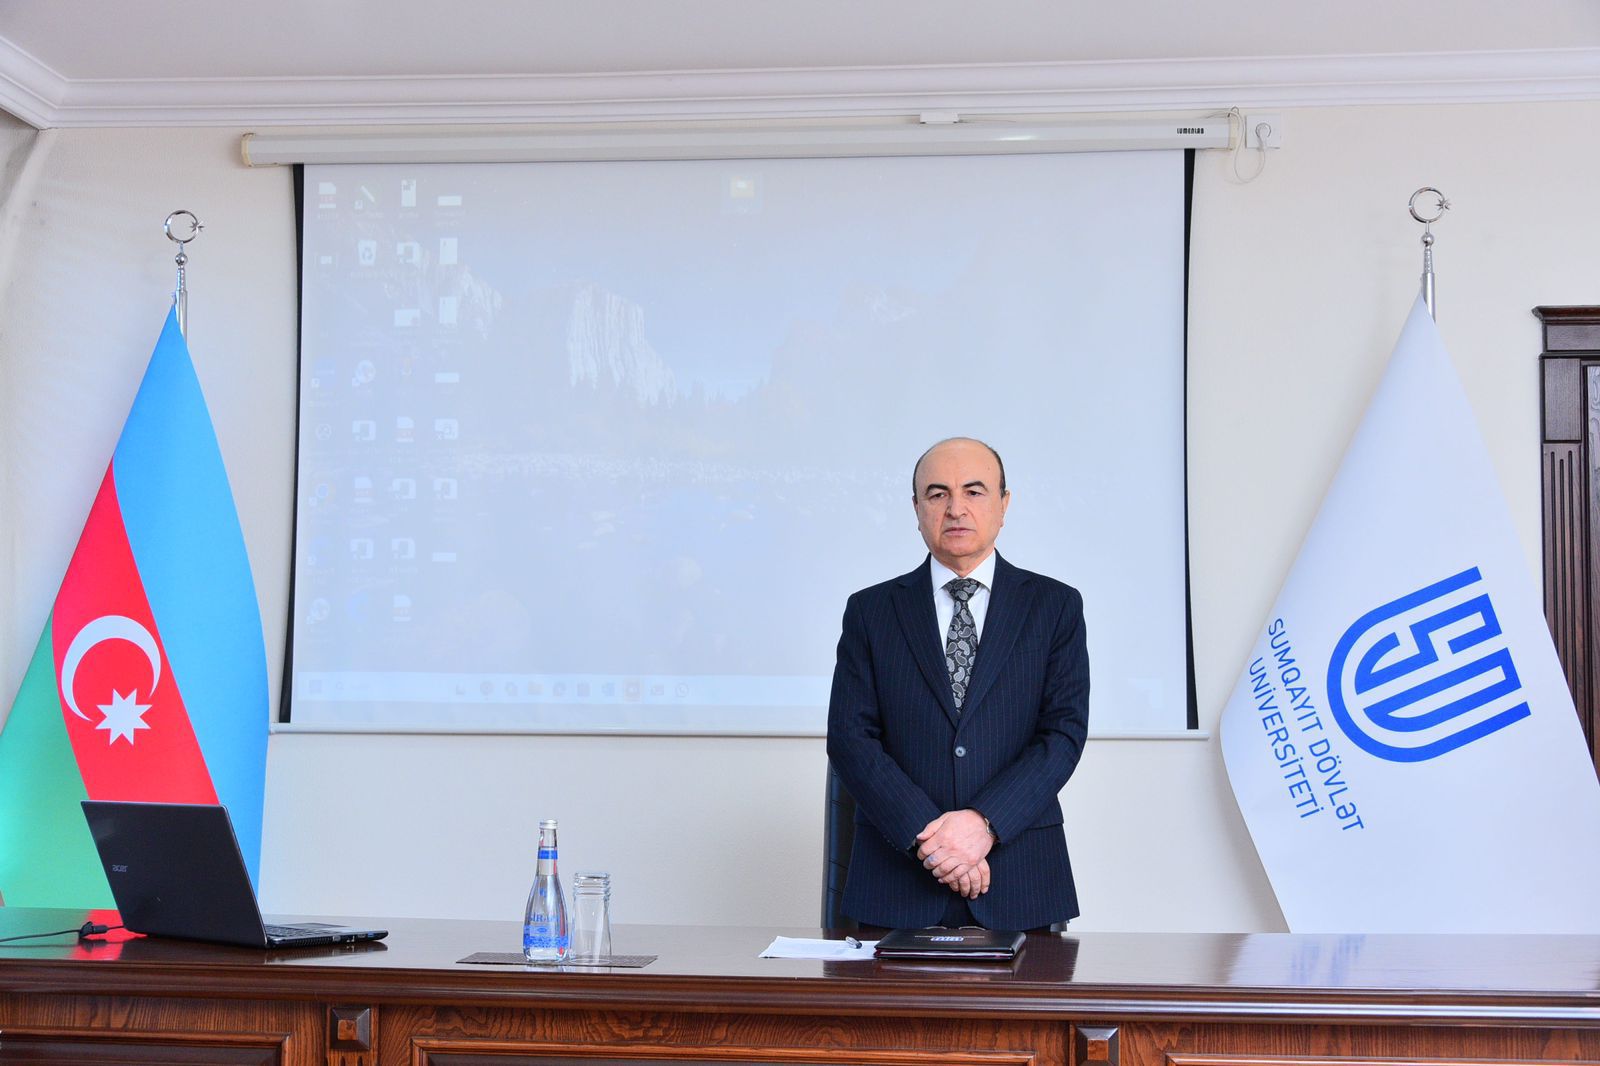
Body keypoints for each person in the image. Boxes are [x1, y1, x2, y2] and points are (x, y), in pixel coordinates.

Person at [825, 437, 1089, 930]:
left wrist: (984, 824)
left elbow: (1062, 735)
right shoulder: (871, 611)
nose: (955, 508)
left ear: (1004, 504)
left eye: (974, 491)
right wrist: (934, 842)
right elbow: (850, 738)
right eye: (937, 493)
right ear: (917, 509)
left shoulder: (1054, 606)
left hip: (1021, 879)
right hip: (897, 880)